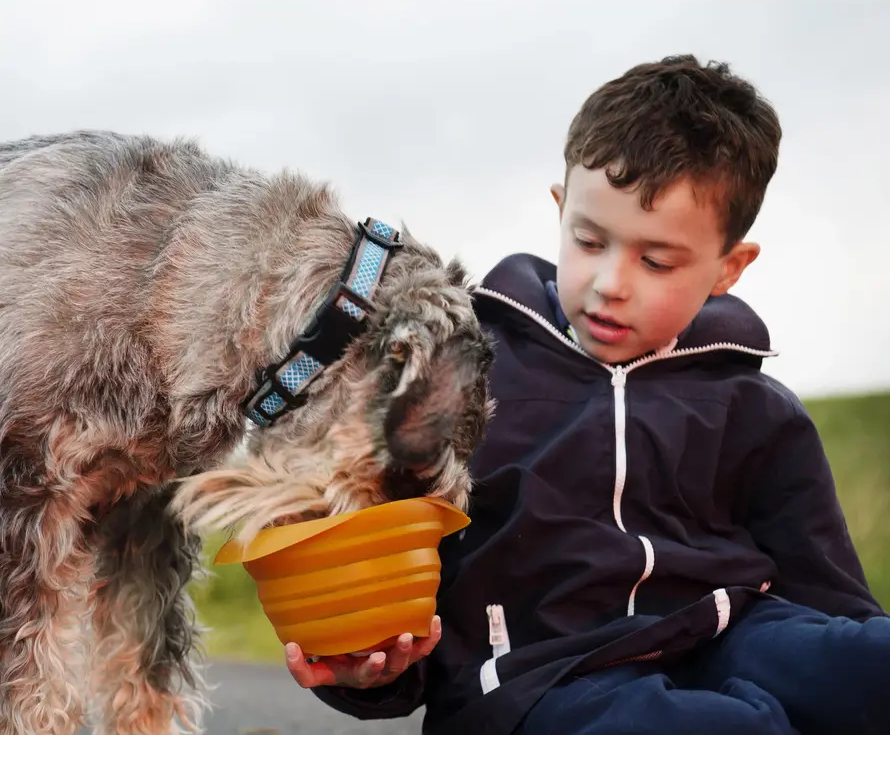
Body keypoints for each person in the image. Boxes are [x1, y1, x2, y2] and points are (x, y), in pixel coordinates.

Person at [283, 54, 890, 737]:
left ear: (729, 267)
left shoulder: (755, 409)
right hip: (545, 679)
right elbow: (405, 624)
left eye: (655, 261)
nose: (609, 282)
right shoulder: (465, 378)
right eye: (589, 240)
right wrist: (374, 671)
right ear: (559, 209)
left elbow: (833, 601)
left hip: (733, 634)